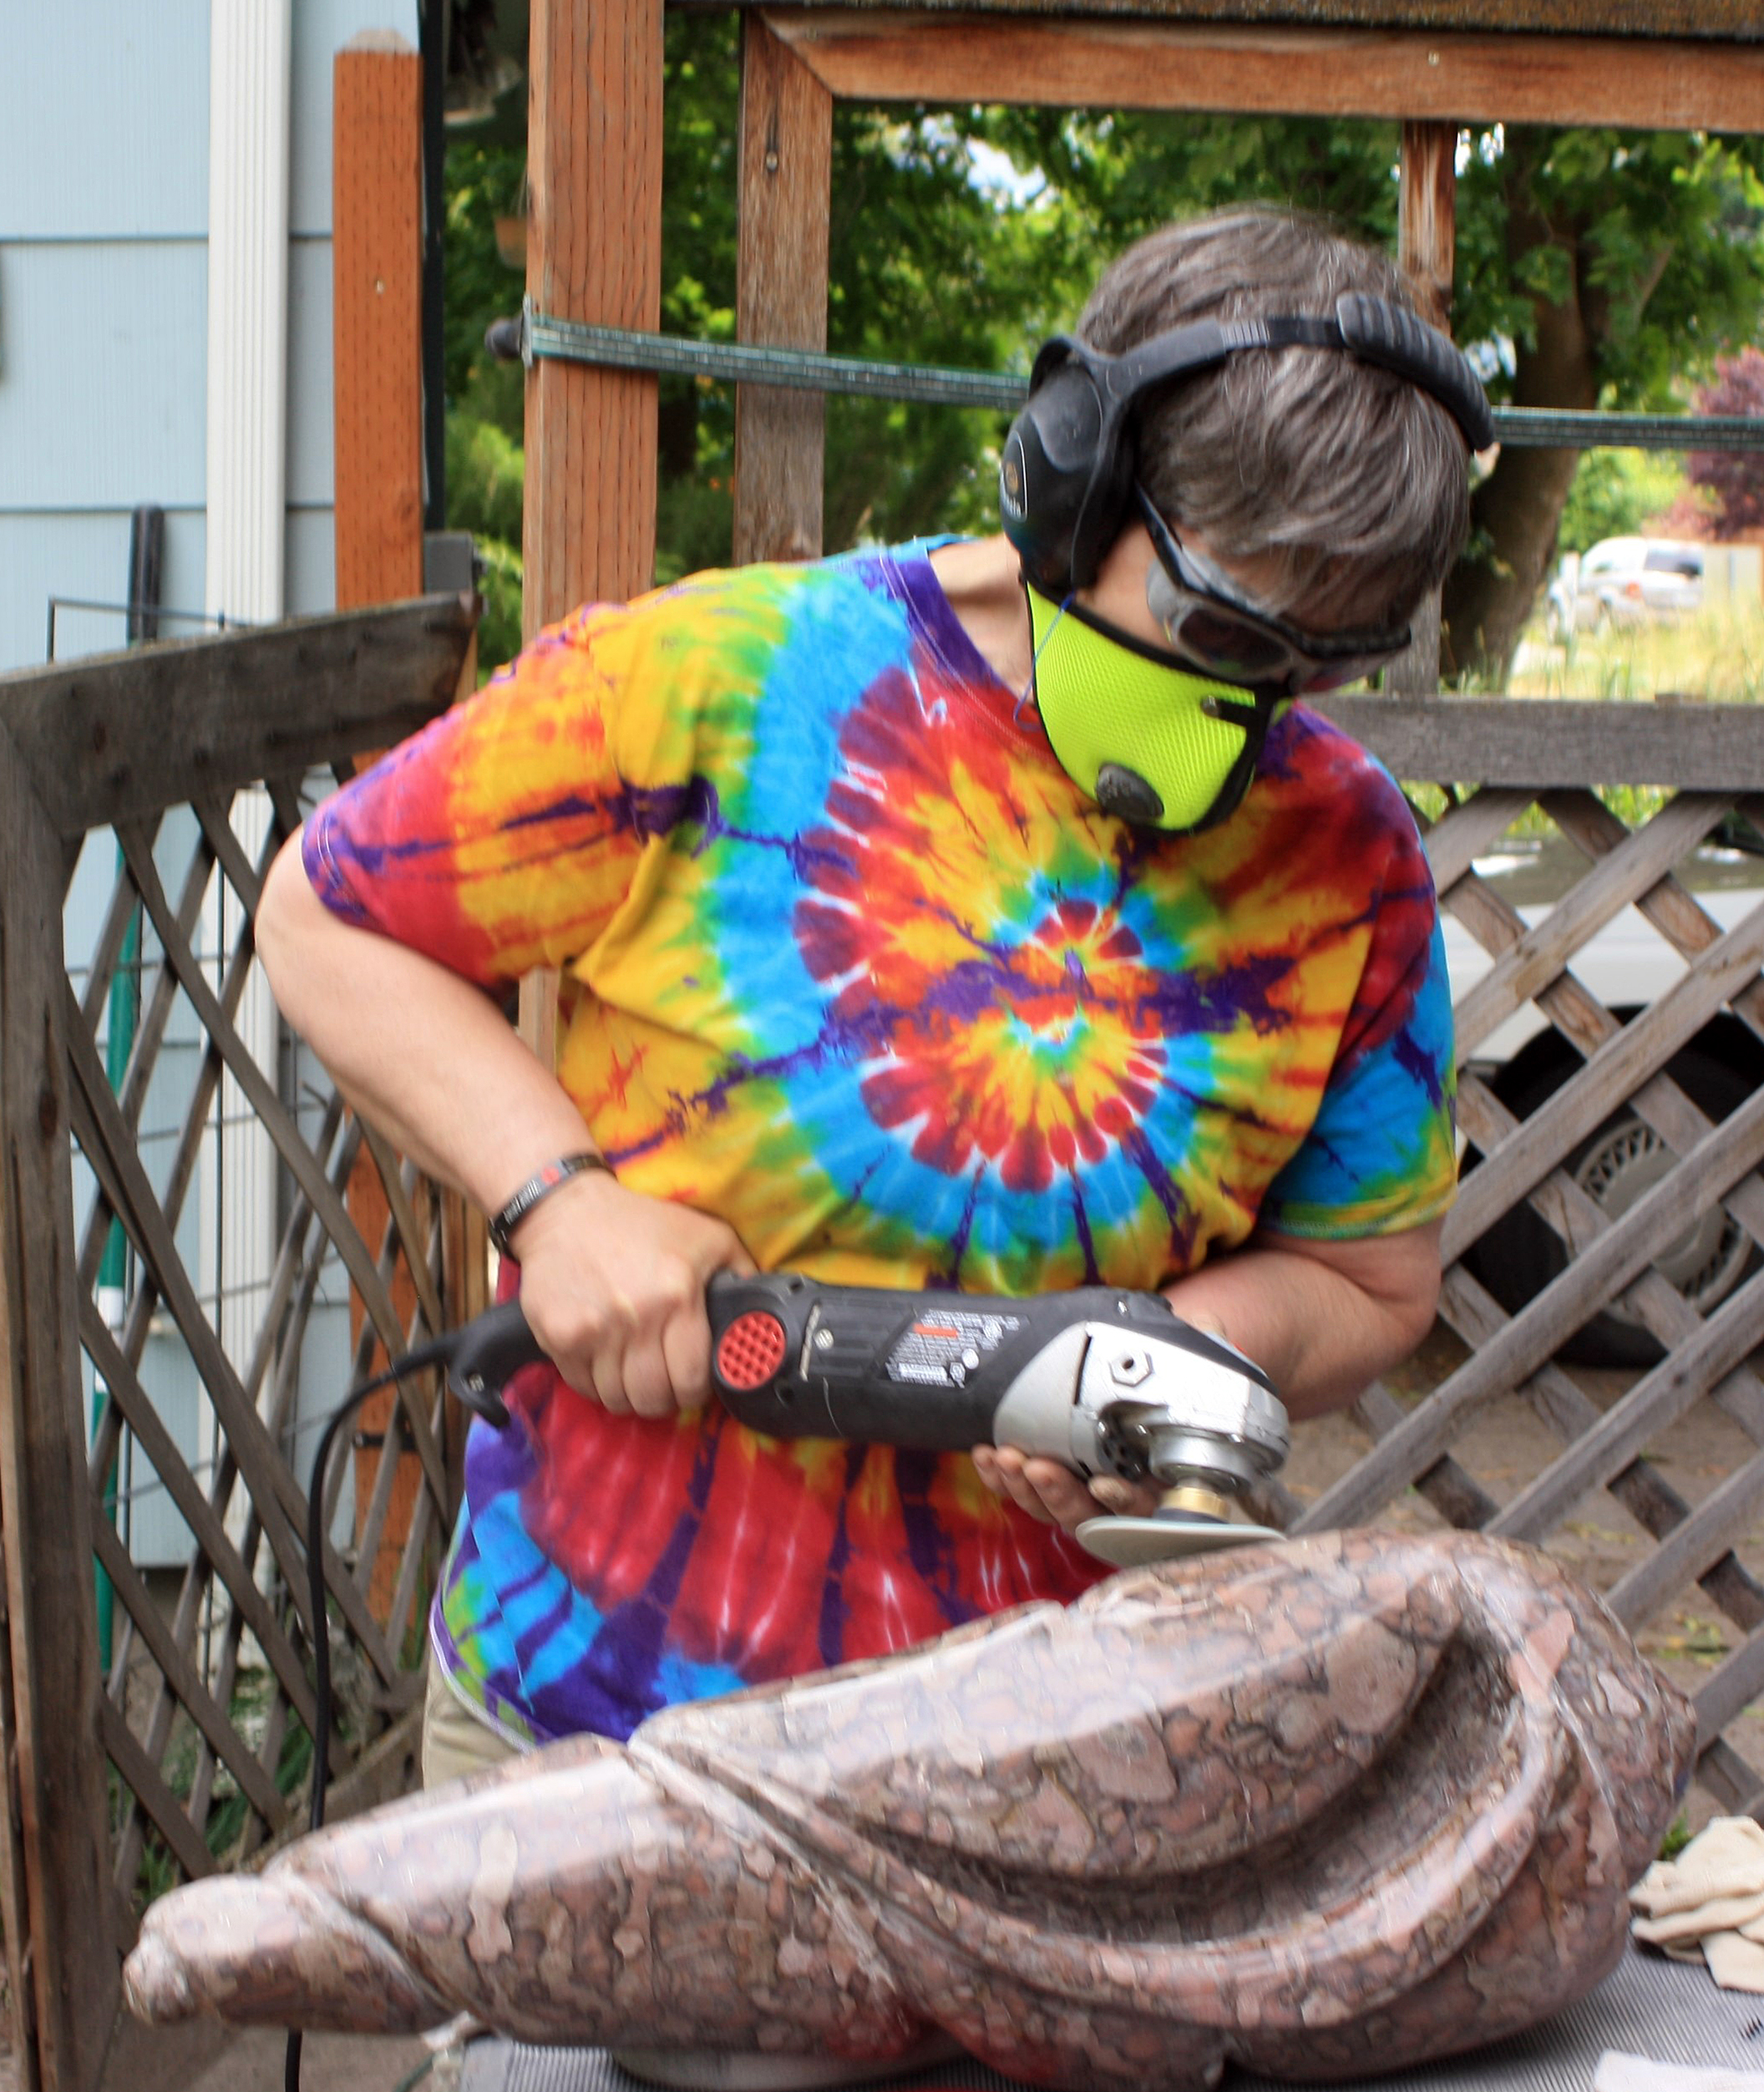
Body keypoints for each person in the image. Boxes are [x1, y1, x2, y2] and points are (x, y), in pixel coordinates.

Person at [257, 206, 1478, 1795]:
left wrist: (1170, 1355)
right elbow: (327, 913)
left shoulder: (1355, 860)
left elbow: (1371, 1281)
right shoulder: (718, 678)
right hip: (596, 1730)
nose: (1249, 716)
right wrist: (555, 1202)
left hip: (1058, 1758)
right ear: (1073, 475)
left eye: (1311, 670)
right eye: (1223, 632)